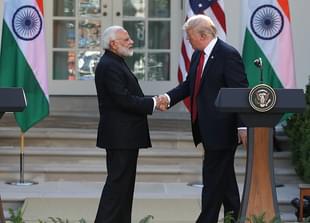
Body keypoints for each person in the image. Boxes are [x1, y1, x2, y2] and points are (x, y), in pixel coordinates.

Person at [158, 15, 249, 223]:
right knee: (224, 180)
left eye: (190, 37)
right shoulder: (198, 55)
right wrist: (167, 98)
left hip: (223, 129)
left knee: (212, 178)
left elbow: (240, 92)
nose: (188, 42)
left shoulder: (228, 55)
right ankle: (235, 217)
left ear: (203, 35)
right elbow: (189, 85)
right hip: (206, 128)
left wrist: (242, 126)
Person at [94, 25, 162, 223]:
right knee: (117, 188)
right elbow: (123, 99)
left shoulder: (116, 61)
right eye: (126, 39)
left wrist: (153, 101)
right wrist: (154, 102)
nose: (131, 42)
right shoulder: (109, 65)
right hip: (120, 137)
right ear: (113, 44)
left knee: (124, 188)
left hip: (125, 136)